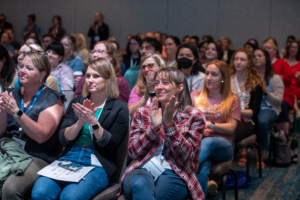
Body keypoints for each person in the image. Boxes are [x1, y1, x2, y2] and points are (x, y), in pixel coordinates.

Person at [31, 57, 129, 200]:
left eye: (96, 76)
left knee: (70, 197)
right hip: (70, 156)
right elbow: (63, 138)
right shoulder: (78, 102)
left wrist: (93, 122)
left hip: (96, 161)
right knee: (40, 193)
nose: (90, 80)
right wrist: (80, 123)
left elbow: (111, 145)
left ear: (108, 79)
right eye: (88, 75)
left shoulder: (119, 108)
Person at [120, 67, 206, 200]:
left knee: (159, 195)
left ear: (179, 87)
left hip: (175, 171)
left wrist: (170, 123)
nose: (159, 87)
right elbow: (133, 152)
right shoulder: (142, 113)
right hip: (141, 167)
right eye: (157, 83)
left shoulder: (193, 116)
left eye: (165, 83)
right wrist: (153, 128)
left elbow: (185, 157)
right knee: (140, 185)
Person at [0, 52, 65, 200]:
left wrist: (17, 113)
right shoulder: (9, 93)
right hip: (8, 150)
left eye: (29, 68)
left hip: (36, 155)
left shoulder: (53, 99)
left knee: (10, 189)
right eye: (21, 66)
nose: (22, 70)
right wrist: (3, 113)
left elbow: (41, 136)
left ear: (42, 74)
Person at [191, 60, 240, 199]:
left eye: (214, 74)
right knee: (203, 167)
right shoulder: (195, 95)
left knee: (208, 143)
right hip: (198, 143)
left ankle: (183, 166)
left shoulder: (232, 99)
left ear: (223, 78)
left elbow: (231, 128)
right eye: (207, 73)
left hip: (222, 145)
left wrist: (210, 125)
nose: (208, 78)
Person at [230, 48, 264, 166]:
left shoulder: (255, 83)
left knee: (228, 132)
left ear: (249, 62)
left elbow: (254, 112)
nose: (238, 62)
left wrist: (236, 111)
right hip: (227, 118)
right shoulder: (226, 80)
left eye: (243, 59)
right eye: (236, 59)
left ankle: (225, 166)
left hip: (247, 121)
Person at [254, 48, 284, 169]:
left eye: (259, 56)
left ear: (266, 59)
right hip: (254, 107)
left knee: (261, 121)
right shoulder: (250, 77)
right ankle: (243, 152)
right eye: (254, 56)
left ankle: (261, 153)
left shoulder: (275, 78)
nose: (256, 58)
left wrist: (266, 92)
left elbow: (279, 101)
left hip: (270, 108)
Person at [276, 41, 300, 135]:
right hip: (282, 86)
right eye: (291, 47)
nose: (293, 49)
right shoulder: (281, 61)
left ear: (298, 50)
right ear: (288, 48)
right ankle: (296, 108)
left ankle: (283, 136)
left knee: (290, 89)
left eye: (295, 47)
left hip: (295, 87)